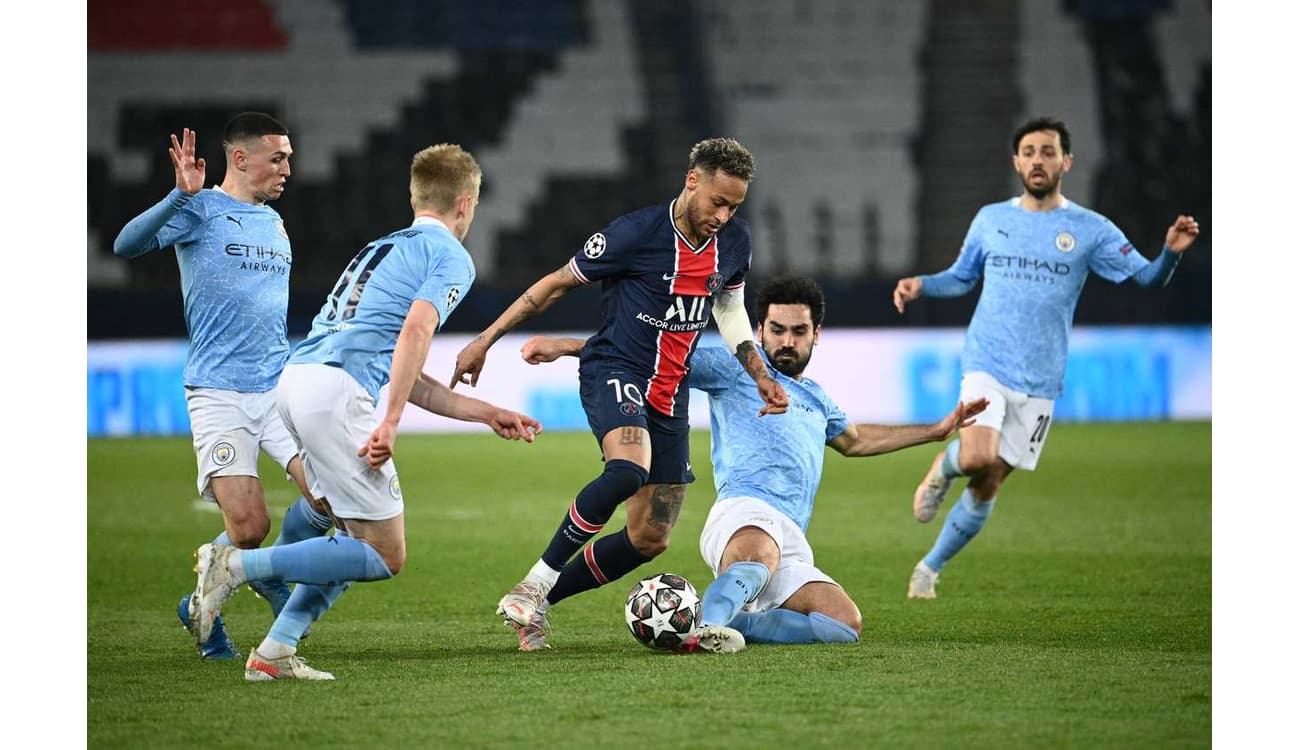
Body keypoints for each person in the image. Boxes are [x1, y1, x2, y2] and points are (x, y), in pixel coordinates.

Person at [189, 143, 543, 681]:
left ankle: (276, 651)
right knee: (383, 553)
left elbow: (400, 362)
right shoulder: (449, 255)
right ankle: (235, 565)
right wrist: (391, 422)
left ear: (414, 195)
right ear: (467, 203)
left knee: (347, 533)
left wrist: (484, 411)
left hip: (299, 380)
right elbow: (416, 333)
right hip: (333, 394)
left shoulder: (381, 247)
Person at [521, 277, 986, 652]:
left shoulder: (817, 399)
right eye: (777, 330)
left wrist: (937, 431)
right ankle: (703, 630)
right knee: (757, 557)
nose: (787, 341)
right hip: (743, 512)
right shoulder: (735, 369)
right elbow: (653, 355)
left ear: (816, 335)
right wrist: (567, 346)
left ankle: (735, 622)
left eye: (798, 331)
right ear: (758, 330)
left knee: (843, 624)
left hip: (790, 536)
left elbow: (858, 440)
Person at [450, 138, 789, 651]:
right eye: (718, 201)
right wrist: (484, 340)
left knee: (649, 539)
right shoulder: (635, 233)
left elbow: (729, 307)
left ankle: (539, 605)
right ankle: (534, 580)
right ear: (692, 179)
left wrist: (758, 370)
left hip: (670, 393)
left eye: (734, 205)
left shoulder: (735, 241)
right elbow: (555, 284)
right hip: (615, 368)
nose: (724, 214)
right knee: (628, 467)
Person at [892, 116, 1200, 599]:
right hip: (987, 362)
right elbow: (961, 276)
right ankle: (944, 468)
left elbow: (1145, 278)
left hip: (1041, 379)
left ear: (1066, 162)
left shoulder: (1090, 229)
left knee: (990, 480)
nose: (1038, 160)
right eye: (1030, 151)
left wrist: (1171, 254)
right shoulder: (992, 219)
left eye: (1048, 151)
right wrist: (922, 285)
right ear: (1017, 161)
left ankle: (929, 568)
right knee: (977, 456)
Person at [112, 113, 333, 660]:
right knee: (250, 525)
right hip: (220, 392)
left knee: (332, 498)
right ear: (241, 158)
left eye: (289, 157)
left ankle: (262, 573)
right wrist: (177, 196)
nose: (288, 168)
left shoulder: (274, 222)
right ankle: (203, 604)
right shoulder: (200, 209)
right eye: (277, 157)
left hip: (277, 387)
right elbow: (125, 245)